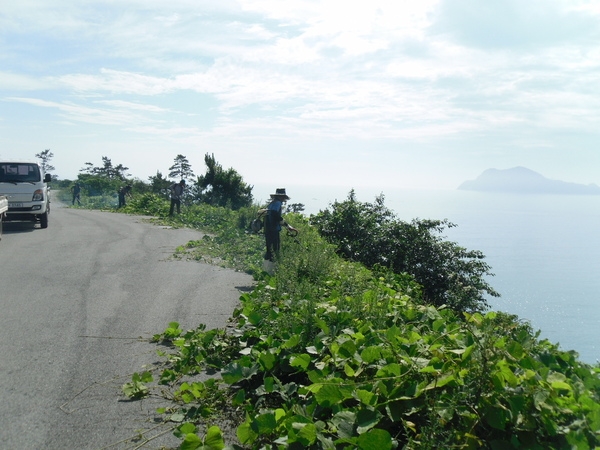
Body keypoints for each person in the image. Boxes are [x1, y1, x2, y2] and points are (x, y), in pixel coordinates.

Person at [263, 188, 298, 262]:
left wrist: (287, 226)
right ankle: (272, 268)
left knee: (269, 249)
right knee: (275, 249)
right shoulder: (277, 203)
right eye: (283, 197)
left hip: (267, 229)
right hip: (274, 230)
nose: (283, 199)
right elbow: (275, 215)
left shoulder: (271, 203)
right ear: (281, 197)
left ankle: (266, 267)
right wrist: (286, 225)